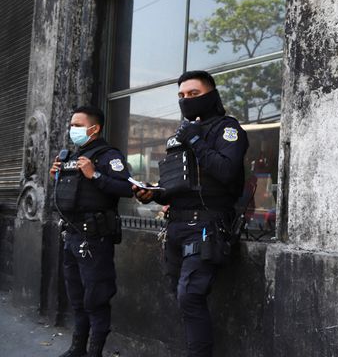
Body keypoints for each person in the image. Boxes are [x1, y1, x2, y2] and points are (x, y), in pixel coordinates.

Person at [133, 70, 248, 357]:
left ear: (211, 94)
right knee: (182, 298)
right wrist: (153, 193)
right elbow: (176, 185)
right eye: (182, 96)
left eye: (193, 94)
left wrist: (196, 141)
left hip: (207, 225)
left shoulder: (227, 129)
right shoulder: (178, 137)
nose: (186, 100)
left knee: (190, 296)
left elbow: (226, 171)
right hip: (176, 227)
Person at [49, 105, 133, 357]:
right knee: (76, 295)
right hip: (71, 235)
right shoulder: (72, 156)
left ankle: (94, 352)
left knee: (95, 297)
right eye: (71, 124)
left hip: (95, 237)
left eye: (77, 125)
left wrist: (94, 174)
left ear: (94, 128)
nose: (72, 129)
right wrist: (57, 175)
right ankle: (77, 348)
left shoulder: (109, 156)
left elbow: (127, 188)